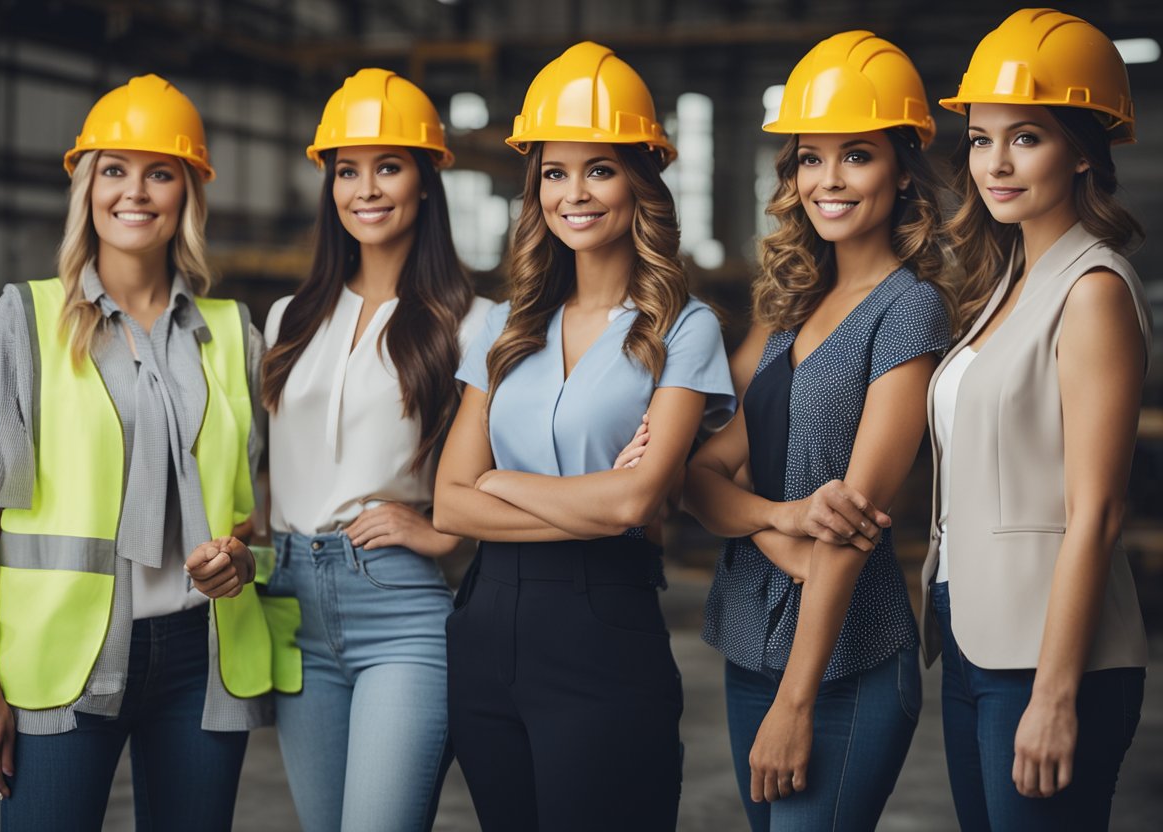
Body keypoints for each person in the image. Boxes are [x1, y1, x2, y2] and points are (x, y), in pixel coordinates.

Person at [0, 74, 273, 832]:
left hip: (200, 657)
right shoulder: (24, 319)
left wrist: (242, 557)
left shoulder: (232, 333)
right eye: (115, 170)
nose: (136, 192)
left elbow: (254, 513)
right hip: (62, 663)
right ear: (88, 188)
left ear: (188, 193)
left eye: (160, 172)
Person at [433, 41, 735, 832]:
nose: (575, 193)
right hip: (486, 628)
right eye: (555, 173)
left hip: (605, 630)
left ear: (640, 181)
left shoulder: (683, 328)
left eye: (599, 169)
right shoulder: (498, 328)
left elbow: (635, 503)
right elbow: (448, 508)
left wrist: (498, 481)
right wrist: (586, 500)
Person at [685, 31, 952, 830]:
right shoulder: (786, 305)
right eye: (810, 157)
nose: (827, 180)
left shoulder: (912, 309)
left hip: (844, 664)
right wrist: (777, 521)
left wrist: (796, 702)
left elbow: (852, 525)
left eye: (856, 155)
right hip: (748, 649)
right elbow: (698, 475)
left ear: (902, 168)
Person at [924, 10, 1150, 830]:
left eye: (1027, 137)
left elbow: (1097, 509)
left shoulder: (1091, 291)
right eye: (982, 139)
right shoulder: (1002, 287)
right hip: (974, 639)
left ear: (1084, 149)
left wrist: (1055, 696)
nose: (996, 162)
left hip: (1053, 661)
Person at [260, 68, 490, 832]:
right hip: (290, 601)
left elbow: (514, 459)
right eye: (346, 170)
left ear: (425, 183)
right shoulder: (287, 319)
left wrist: (445, 531)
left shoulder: (473, 322)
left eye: (388, 167)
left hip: (398, 605)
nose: (366, 189)